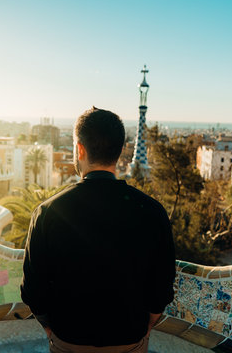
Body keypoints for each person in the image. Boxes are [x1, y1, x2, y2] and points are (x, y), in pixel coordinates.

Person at [21, 107, 175, 353]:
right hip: (130, 340)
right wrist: (144, 327)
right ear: (120, 150)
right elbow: (163, 286)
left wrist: (51, 329)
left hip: (68, 340)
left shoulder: (48, 213)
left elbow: (33, 288)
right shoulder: (153, 212)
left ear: (79, 149)